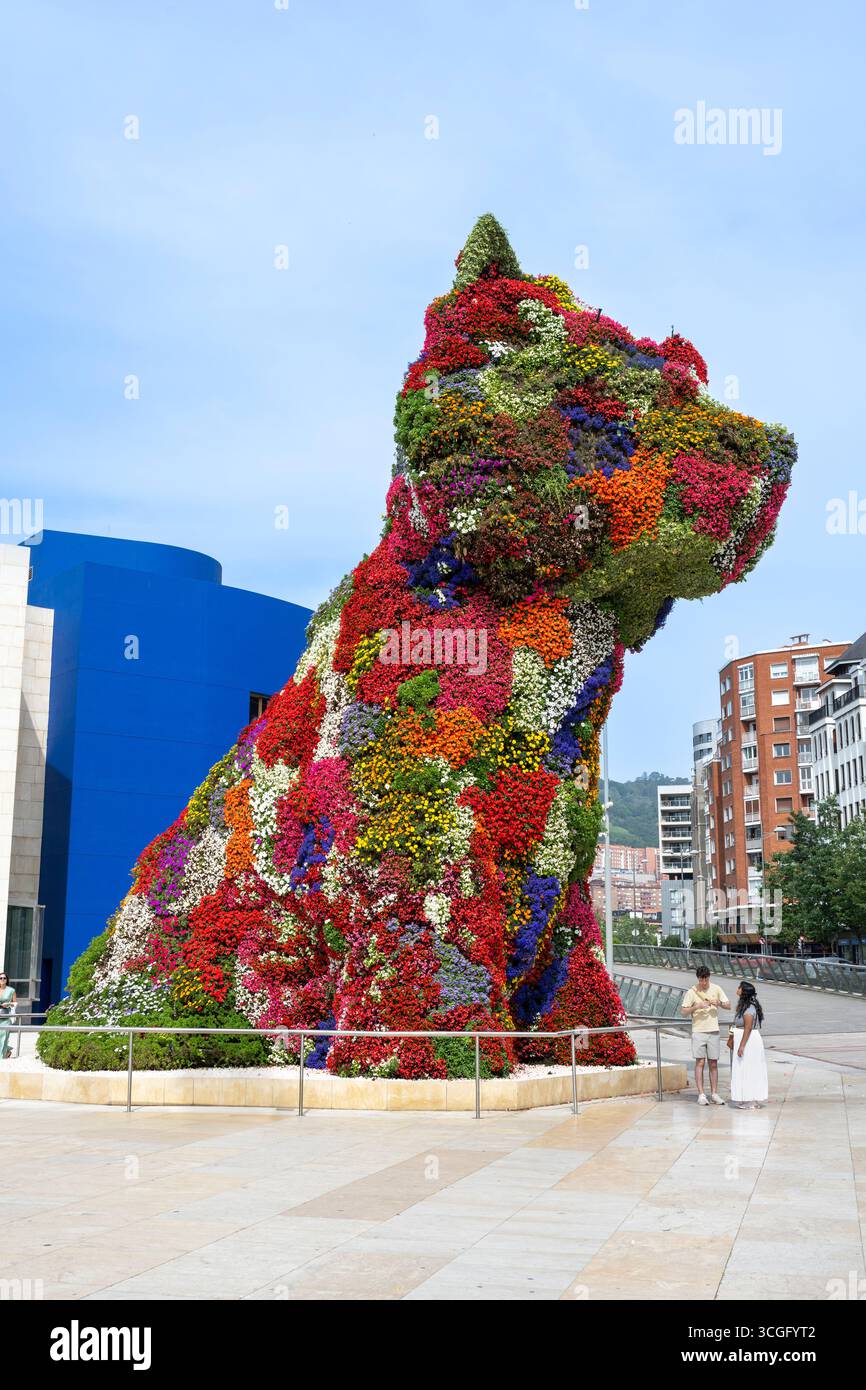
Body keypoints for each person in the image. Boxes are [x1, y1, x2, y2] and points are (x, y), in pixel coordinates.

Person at [681, 965, 730, 1105]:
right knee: (700, 1062)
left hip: (713, 1030)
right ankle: (701, 1094)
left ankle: (714, 1093)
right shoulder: (692, 991)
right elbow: (683, 1011)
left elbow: (729, 1005)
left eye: (706, 980)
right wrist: (697, 1006)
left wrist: (718, 1003)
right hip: (698, 1031)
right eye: (701, 980)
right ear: (698, 978)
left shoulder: (716, 988)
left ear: (709, 978)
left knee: (713, 1063)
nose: (704, 983)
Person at [729, 980, 768, 1109]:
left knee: (749, 1069)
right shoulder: (744, 1006)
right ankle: (745, 1097)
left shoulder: (749, 1008)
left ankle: (751, 1099)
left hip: (749, 1041)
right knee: (744, 1069)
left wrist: (741, 1045)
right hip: (744, 1038)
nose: (737, 989)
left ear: (744, 991)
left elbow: (748, 1027)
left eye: (739, 987)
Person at [0, 973, 16, 1060]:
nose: (2, 979)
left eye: (4, 978)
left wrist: (9, 1004)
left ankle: (1, 1058)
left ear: (7, 980)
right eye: (0, 978)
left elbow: (15, 1003)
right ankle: (7, 1051)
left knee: (3, 1036)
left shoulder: (11, 990)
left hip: (6, 1016)